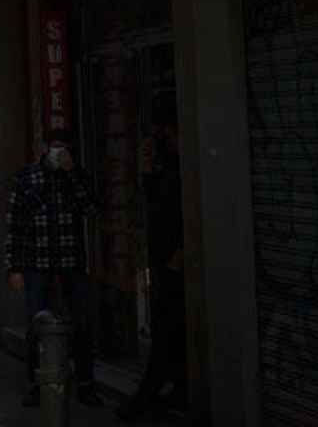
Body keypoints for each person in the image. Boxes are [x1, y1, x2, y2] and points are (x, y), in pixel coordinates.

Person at [5, 124, 105, 408]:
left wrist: (72, 173)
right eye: (54, 146)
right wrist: (14, 267)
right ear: (43, 148)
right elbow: (15, 225)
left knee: (81, 323)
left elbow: (91, 210)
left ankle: (85, 383)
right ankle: (37, 384)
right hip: (37, 264)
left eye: (63, 146)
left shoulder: (76, 176)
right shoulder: (27, 177)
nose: (58, 152)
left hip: (71, 262)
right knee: (37, 325)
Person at [119, 96, 187, 422]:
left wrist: (181, 252)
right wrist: (147, 172)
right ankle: (173, 390)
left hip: (176, 261)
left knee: (167, 329)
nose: (162, 138)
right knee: (167, 328)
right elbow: (155, 205)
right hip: (161, 260)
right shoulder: (165, 166)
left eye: (164, 131)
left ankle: (150, 395)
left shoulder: (185, 165)